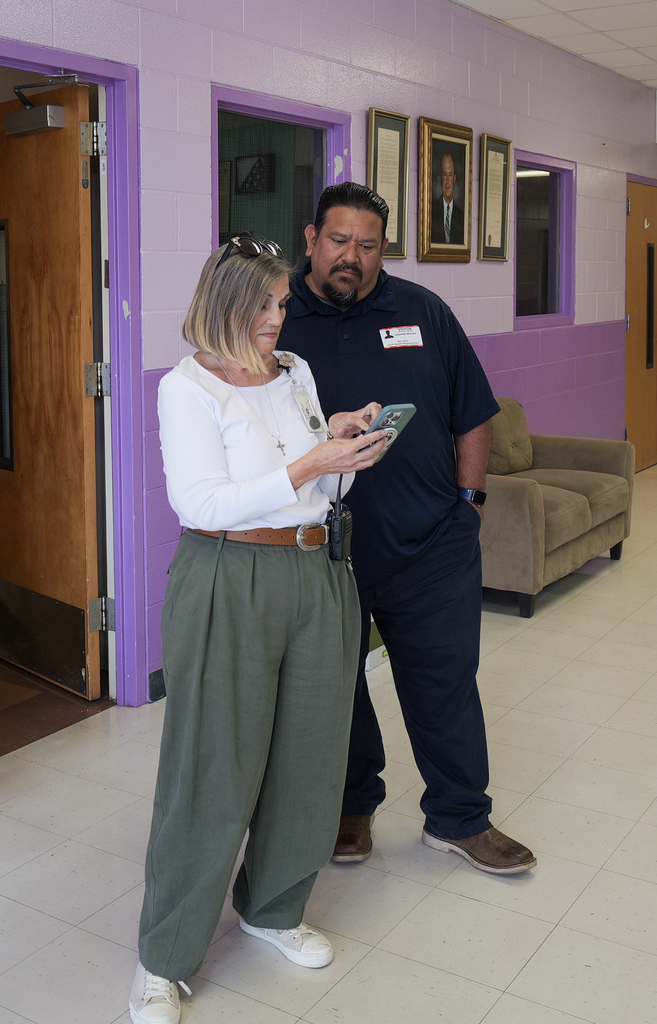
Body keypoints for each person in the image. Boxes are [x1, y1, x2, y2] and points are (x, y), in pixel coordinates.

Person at [129, 232, 387, 1024]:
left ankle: (273, 908)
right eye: (266, 303)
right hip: (229, 576)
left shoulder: (296, 371)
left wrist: (338, 443)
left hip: (318, 570)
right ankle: (164, 958)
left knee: (310, 755)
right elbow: (201, 504)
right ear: (225, 302)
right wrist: (310, 466)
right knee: (214, 767)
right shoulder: (189, 387)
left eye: (282, 302)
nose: (279, 316)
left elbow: (307, 467)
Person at [279, 183, 536, 876]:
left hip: (430, 546)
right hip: (325, 551)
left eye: (367, 246)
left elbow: (473, 411)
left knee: (445, 680)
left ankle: (460, 817)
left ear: (381, 249)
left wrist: (470, 504)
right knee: (337, 685)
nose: (351, 259)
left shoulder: (423, 311)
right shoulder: (276, 319)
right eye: (338, 241)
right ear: (311, 239)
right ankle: (352, 806)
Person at [430, 152, 465, 245]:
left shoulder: (463, 217)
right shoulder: (430, 212)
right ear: (441, 178)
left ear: (454, 178)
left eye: (450, 175)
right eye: (445, 174)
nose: (447, 181)